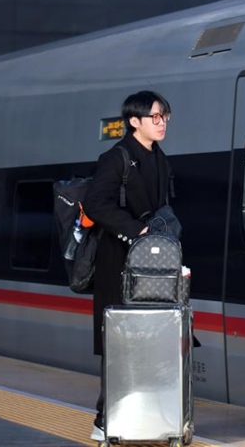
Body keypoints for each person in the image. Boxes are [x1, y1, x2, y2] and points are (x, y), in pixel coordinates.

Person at [83, 90, 174, 441]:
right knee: (121, 343)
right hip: (118, 263)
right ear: (134, 121)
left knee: (149, 339)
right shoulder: (117, 157)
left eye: (164, 115)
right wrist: (137, 229)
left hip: (153, 264)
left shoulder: (161, 159)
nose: (161, 122)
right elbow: (95, 204)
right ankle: (106, 419)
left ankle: (137, 416)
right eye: (154, 117)